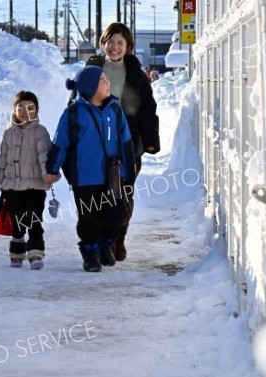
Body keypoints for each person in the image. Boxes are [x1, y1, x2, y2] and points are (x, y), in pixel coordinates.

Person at [45, 66, 136, 273]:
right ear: (89, 87)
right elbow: (60, 143)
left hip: (112, 175)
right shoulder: (73, 113)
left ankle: (106, 244)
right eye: (102, 80)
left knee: (118, 213)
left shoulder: (115, 109)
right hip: (85, 177)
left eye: (106, 78)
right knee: (89, 218)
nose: (107, 82)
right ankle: (90, 254)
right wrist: (52, 169)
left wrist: (128, 172)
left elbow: (126, 141)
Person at [84, 22, 160, 261]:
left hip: (127, 143)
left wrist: (149, 140)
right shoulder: (92, 69)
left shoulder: (136, 74)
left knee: (124, 193)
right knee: (96, 192)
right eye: (111, 42)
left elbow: (148, 108)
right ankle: (99, 240)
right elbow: (77, 102)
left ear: (127, 46)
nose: (114, 47)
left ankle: (118, 238)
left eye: (120, 43)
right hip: (96, 142)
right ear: (103, 43)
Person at [0, 91, 52, 270]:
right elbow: (3, 156)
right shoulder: (8, 132)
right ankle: (17, 253)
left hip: (35, 185)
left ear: (37, 111)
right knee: (17, 221)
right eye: (21, 108)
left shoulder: (40, 132)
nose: (25, 112)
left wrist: (48, 175)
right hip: (12, 186)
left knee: (34, 219)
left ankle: (35, 253)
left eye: (30, 108)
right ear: (14, 110)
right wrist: (1, 180)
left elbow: (44, 156)